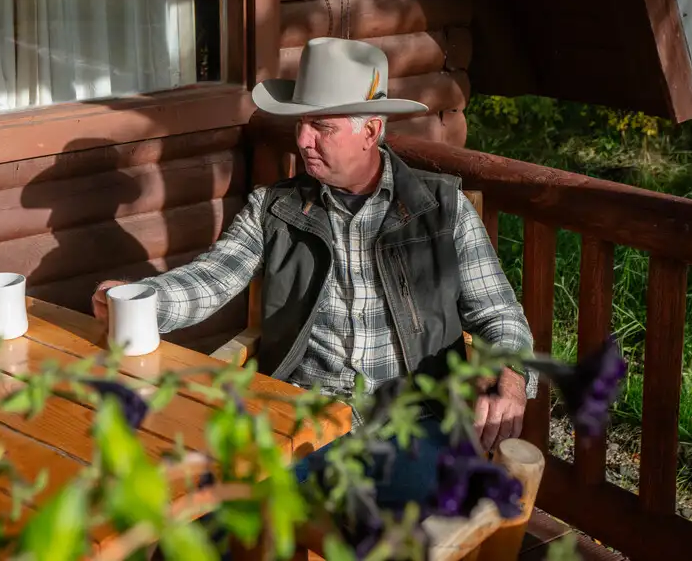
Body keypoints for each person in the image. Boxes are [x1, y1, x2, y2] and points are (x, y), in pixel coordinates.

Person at [92, 37, 535, 507]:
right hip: (298, 410)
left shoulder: (441, 209)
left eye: (321, 126)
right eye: (301, 123)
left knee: (413, 533)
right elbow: (213, 277)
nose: (303, 140)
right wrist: (140, 300)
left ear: (371, 132)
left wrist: (510, 377)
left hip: (413, 419)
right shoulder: (274, 207)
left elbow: (499, 316)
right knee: (207, 507)